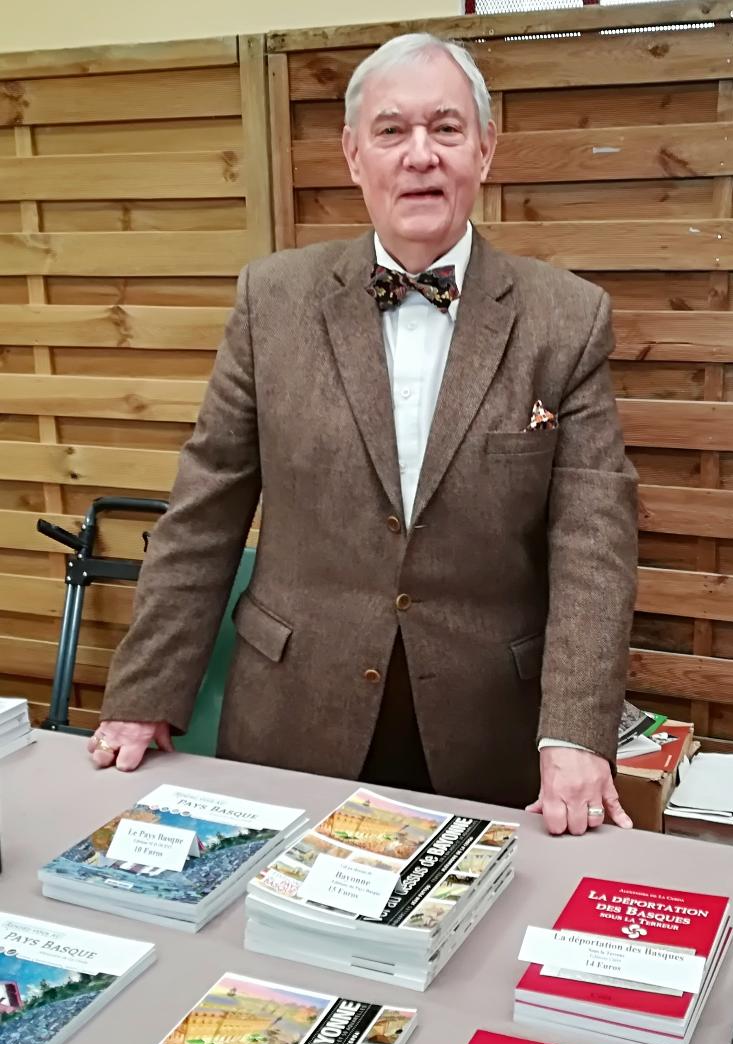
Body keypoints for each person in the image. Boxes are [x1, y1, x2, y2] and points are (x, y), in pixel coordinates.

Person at [87, 33, 639, 837]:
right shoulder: (272, 301)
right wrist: (145, 694)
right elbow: (204, 512)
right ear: (353, 153)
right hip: (291, 721)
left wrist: (577, 734)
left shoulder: (568, 319)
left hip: (488, 741)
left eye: (446, 128)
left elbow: (594, 544)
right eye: (391, 130)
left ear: (484, 149)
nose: (420, 154)